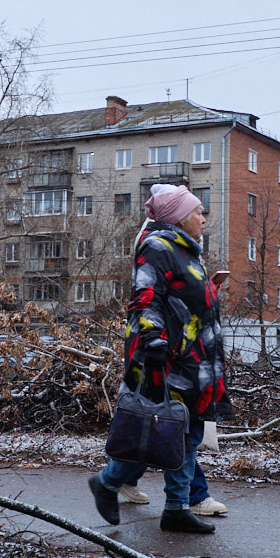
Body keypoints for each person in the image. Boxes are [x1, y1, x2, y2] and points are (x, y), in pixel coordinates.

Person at [89, 184, 233, 533]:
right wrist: (153, 338)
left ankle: (175, 508)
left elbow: (181, 299)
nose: (203, 216)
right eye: (198, 211)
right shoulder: (157, 247)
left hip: (194, 358)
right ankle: (110, 482)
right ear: (180, 218)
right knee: (168, 429)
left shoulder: (186, 251)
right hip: (169, 357)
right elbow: (146, 297)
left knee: (187, 432)